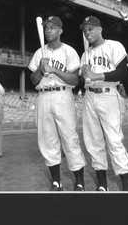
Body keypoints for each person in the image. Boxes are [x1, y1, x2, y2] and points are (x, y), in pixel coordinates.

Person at [28, 15, 86, 191]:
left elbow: (75, 80)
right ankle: (56, 181)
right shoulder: (39, 53)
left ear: (60, 30)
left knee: (70, 138)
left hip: (63, 95)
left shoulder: (69, 51)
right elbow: (33, 80)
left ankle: (80, 181)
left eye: (52, 27)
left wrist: (53, 69)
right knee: (47, 140)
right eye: (46, 27)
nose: (48, 30)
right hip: (44, 96)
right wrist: (40, 68)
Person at [80, 15, 128, 191]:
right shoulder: (84, 54)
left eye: (90, 28)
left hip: (109, 95)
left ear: (100, 29)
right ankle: (102, 185)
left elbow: (123, 71)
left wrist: (97, 75)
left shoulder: (113, 46)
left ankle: (126, 187)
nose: (87, 32)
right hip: (90, 96)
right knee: (93, 142)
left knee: (114, 141)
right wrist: (84, 76)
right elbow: (84, 80)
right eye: (85, 30)